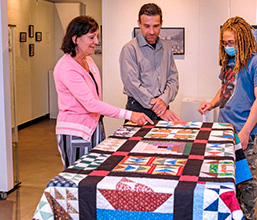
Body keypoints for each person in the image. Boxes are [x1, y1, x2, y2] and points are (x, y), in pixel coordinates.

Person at [54, 15, 153, 169]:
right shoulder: (66, 67)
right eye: (91, 37)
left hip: (95, 128)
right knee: (78, 178)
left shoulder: (89, 61)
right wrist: (130, 115)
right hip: (76, 133)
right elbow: (91, 104)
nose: (97, 42)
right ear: (75, 39)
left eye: (97, 37)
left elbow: (95, 100)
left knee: (96, 174)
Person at [198, 16, 257, 220]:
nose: (228, 46)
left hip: (245, 132)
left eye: (232, 43)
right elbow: (226, 91)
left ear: (244, 40)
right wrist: (211, 103)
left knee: (245, 180)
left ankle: (247, 216)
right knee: (226, 178)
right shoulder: (229, 62)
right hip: (224, 130)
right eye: (225, 42)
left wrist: (245, 131)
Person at [120, 3, 180, 122]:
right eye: (147, 26)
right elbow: (132, 84)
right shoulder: (129, 49)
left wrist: (164, 99)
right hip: (139, 109)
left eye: (156, 26)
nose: (152, 32)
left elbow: (173, 79)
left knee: (166, 141)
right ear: (139, 24)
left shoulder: (167, 48)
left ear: (161, 23)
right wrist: (158, 108)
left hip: (163, 106)